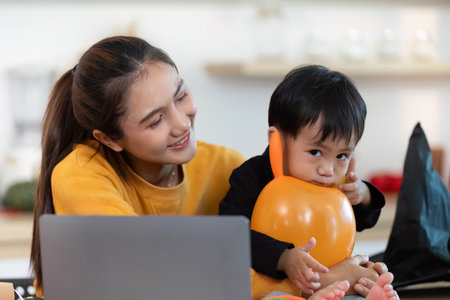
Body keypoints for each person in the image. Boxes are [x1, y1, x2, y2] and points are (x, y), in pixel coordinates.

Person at [30, 36, 246, 297]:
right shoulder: (80, 172)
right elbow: (146, 266)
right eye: (156, 121)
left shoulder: (230, 168)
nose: (182, 124)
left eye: (181, 96)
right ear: (109, 138)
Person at [219, 65, 394, 299]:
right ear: (276, 140)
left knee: (365, 283)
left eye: (342, 155)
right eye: (315, 152)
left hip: (333, 282)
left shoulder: (332, 182)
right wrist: (283, 257)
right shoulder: (252, 176)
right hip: (274, 286)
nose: (328, 170)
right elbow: (231, 235)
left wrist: (363, 194)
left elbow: (361, 220)